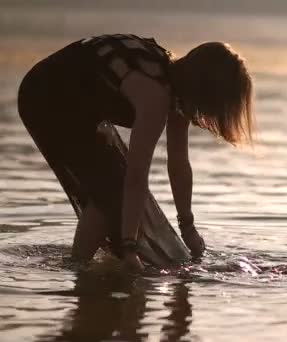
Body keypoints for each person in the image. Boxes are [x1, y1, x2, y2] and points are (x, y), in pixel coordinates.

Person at [17, 34, 255, 272]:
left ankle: (83, 266)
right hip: (46, 96)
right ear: (204, 91)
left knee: (113, 188)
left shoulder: (175, 90)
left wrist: (188, 228)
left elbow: (179, 163)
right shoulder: (154, 94)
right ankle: (78, 268)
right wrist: (130, 247)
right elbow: (137, 174)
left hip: (76, 102)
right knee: (112, 191)